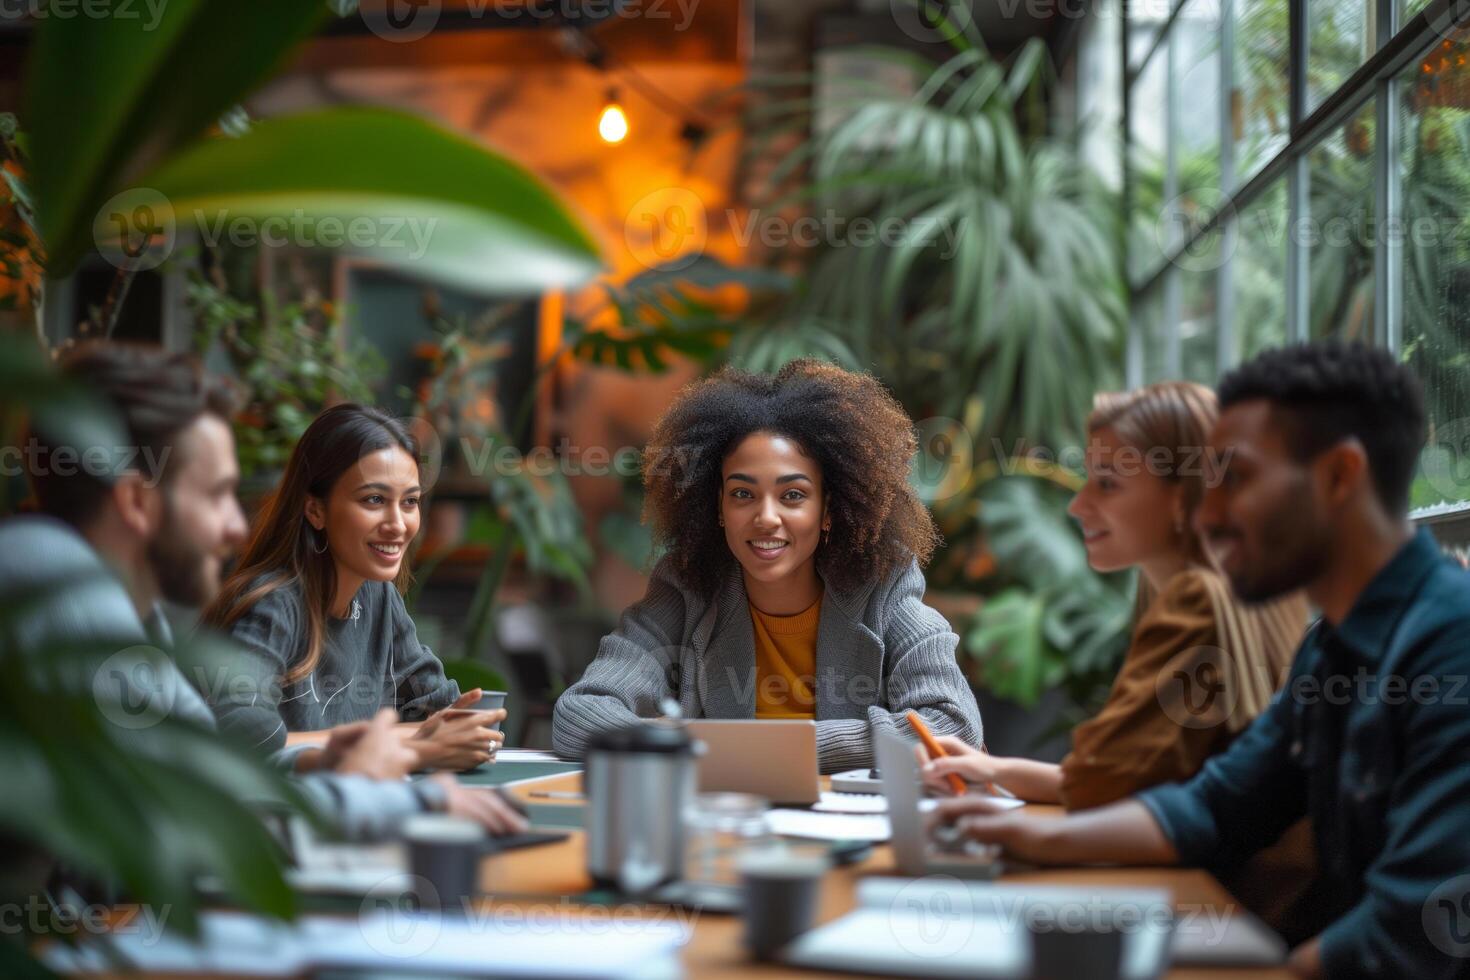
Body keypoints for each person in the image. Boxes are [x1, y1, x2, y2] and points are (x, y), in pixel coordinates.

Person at [932, 343, 1470, 978]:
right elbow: (1218, 803)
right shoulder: (1332, 648)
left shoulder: (1450, 644)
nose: (1207, 514)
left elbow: (1422, 923)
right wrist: (1034, 837)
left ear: (1339, 476)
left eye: (1235, 478)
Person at [3, 341, 525, 838]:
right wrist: (406, 776)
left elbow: (212, 776)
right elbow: (223, 818)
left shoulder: (114, 611)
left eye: (410, 502)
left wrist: (326, 759)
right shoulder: (63, 604)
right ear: (137, 505)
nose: (237, 526)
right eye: (217, 495)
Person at [552, 359, 982, 771]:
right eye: (742, 494)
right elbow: (579, 716)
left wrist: (766, 748)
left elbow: (951, 725)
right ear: (717, 506)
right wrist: (714, 749)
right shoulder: (688, 587)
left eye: (792, 495)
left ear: (828, 509)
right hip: (726, 824)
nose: (766, 517)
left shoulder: (883, 586)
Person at [919, 382, 1308, 808]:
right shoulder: (1245, 591)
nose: (1078, 505)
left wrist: (999, 805)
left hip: (1203, 875)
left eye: (1107, 484)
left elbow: (1102, 782)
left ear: (1182, 497)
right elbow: (1125, 781)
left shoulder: (1199, 599)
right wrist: (991, 769)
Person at [203, 404, 497, 771]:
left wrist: (458, 730)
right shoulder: (274, 603)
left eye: (409, 502)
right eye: (374, 500)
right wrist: (406, 745)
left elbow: (445, 713)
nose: (398, 524)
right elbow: (243, 732)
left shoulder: (378, 596)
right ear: (315, 510)